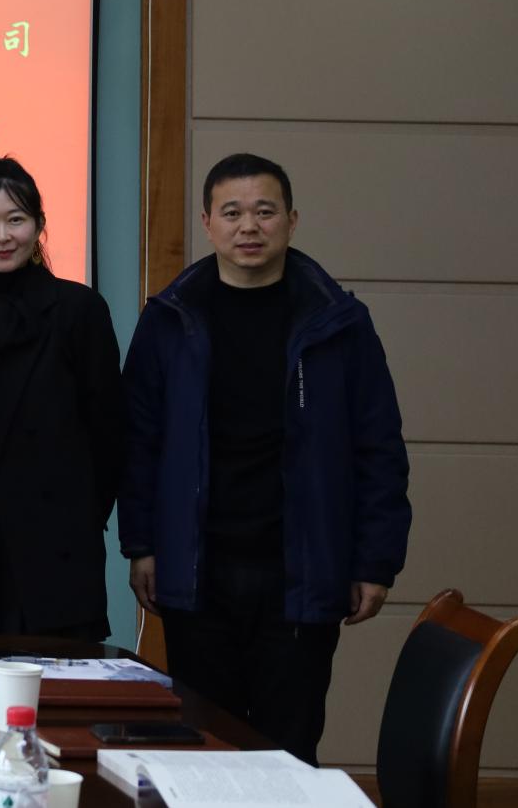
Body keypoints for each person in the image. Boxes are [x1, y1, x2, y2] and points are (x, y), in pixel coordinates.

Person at [120, 152, 410, 764]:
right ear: (207, 223)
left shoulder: (338, 323)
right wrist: (141, 544)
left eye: (264, 211)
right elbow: (140, 442)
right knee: (204, 745)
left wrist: (375, 561)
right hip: (198, 572)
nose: (248, 226)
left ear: (292, 220)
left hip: (301, 570)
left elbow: (379, 448)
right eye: (231, 213)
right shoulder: (170, 321)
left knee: (289, 748)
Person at [0, 156, 122, 638]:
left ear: (39, 225)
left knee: (61, 678)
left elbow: (109, 431)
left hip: (58, 547)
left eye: (16, 219)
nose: (2, 236)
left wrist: (79, 514)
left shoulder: (80, 311)